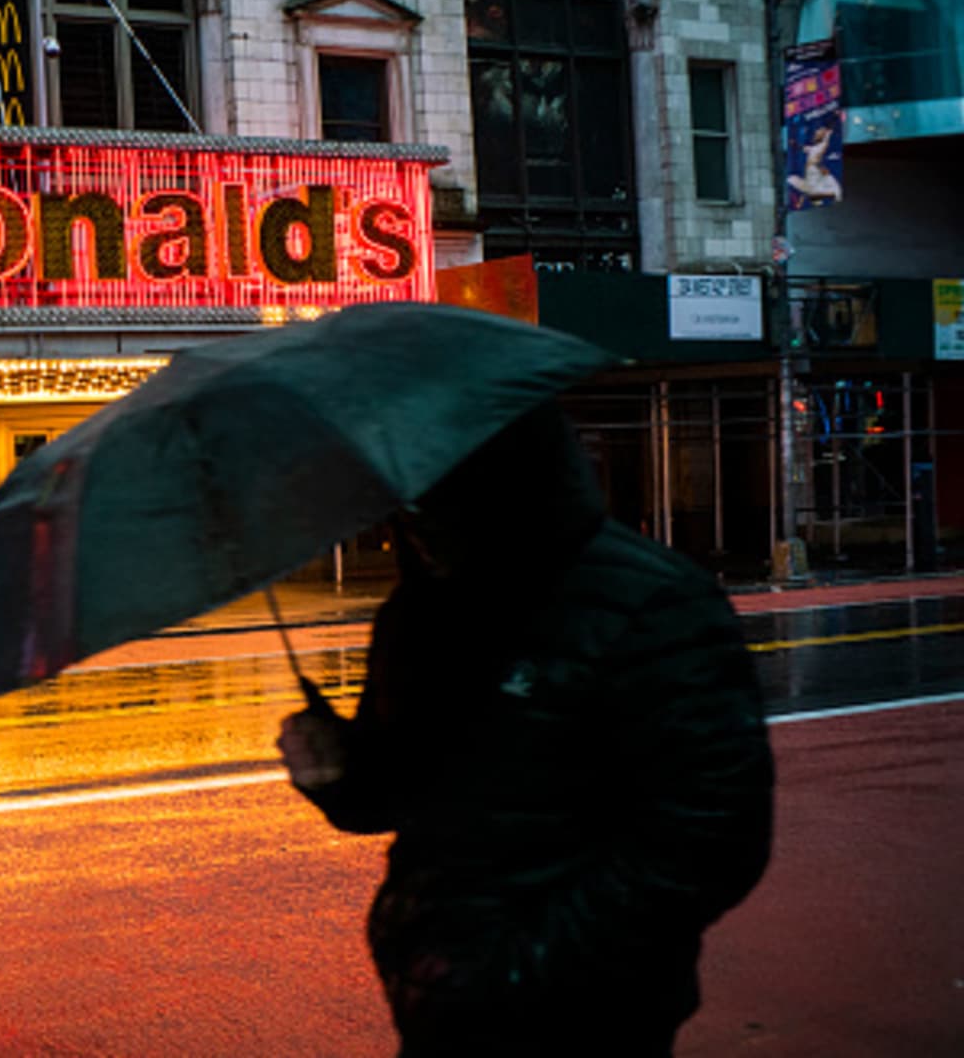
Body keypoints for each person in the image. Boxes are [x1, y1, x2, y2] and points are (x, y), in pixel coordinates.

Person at [277, 402, 774, 1058]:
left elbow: (713, 836)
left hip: (590, 1012)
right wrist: (340, 772)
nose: (407, 517)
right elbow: (401, 797)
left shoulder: (653, 603)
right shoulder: (419, 612)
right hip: (438, 996)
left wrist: (513, 965)